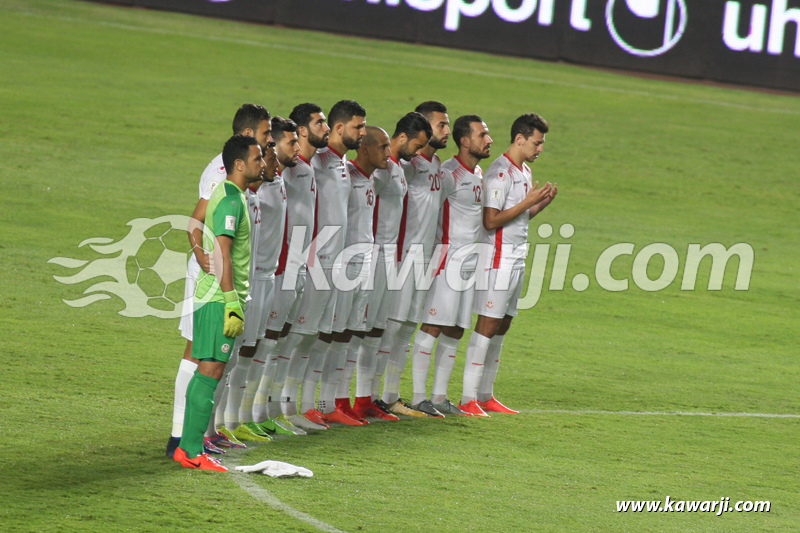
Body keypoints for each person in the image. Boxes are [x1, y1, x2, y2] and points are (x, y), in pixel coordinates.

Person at [167, 104, 271, 458]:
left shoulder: (237, 192)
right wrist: (228, 298)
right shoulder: (226, 192)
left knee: (208, 367)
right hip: (217, 292)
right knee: (206, 366)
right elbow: (218, 247)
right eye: (262, 143)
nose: (265, 155)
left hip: (222, 290)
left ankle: (190, 444)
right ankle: (186, 445)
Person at [460, 113, 557, 417]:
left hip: (517, 258)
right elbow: (490, 221)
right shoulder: (499, 173)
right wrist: (528, 202)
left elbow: (517, 217)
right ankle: (467, 398)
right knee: (488, 324)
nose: (540, 149)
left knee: (503, 325)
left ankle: (486, 395)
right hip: (497, 260)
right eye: (537, 143)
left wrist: (539, 204)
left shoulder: (524, 171)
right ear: (520, 139)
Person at [286, 100, 367, 427]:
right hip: (311, 263)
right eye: (358, 126)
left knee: (317, 336)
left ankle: (307, 405)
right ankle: (283, 405)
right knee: (295, 337)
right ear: (338, 127)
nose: (362, 132)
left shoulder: (343, 165)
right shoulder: (314, 162)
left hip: (336, 264)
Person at [410, 115, 493, 416]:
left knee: (456, 329)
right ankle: (419, 397)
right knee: (432, 325)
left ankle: (440, 396)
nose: (489, 140)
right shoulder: (448, 173)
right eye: (483, 134)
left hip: (469, 265)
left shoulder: (480, 173)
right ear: (465, 141)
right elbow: (427, 210)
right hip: (447, 261)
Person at [225, 117, 298, 442]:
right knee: (234, 353)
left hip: (269, 277)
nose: (271, 158)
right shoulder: (242, 195)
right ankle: (219, 423)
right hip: (249, 280)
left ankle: (240, 418)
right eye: (266, 151)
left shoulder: (273, 184)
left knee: (254, 349)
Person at [378, 101, 451, 417]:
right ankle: (370, 397)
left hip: (424, 260)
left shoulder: (436, 166)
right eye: (441, 125)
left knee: (406, 330)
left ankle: (390, 396)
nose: (446, 130)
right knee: (391, 329)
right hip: (402, 258)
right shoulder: (405, 166)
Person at [359, 112, 431, 418]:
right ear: (402, 138)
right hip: (376, 255)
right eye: (417, 144)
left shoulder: (399, 168)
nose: (418, 151)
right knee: (360, 332)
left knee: (379, 331)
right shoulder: (384, 170)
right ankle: (352, 400)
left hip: (391, 258)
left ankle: (372, 399)